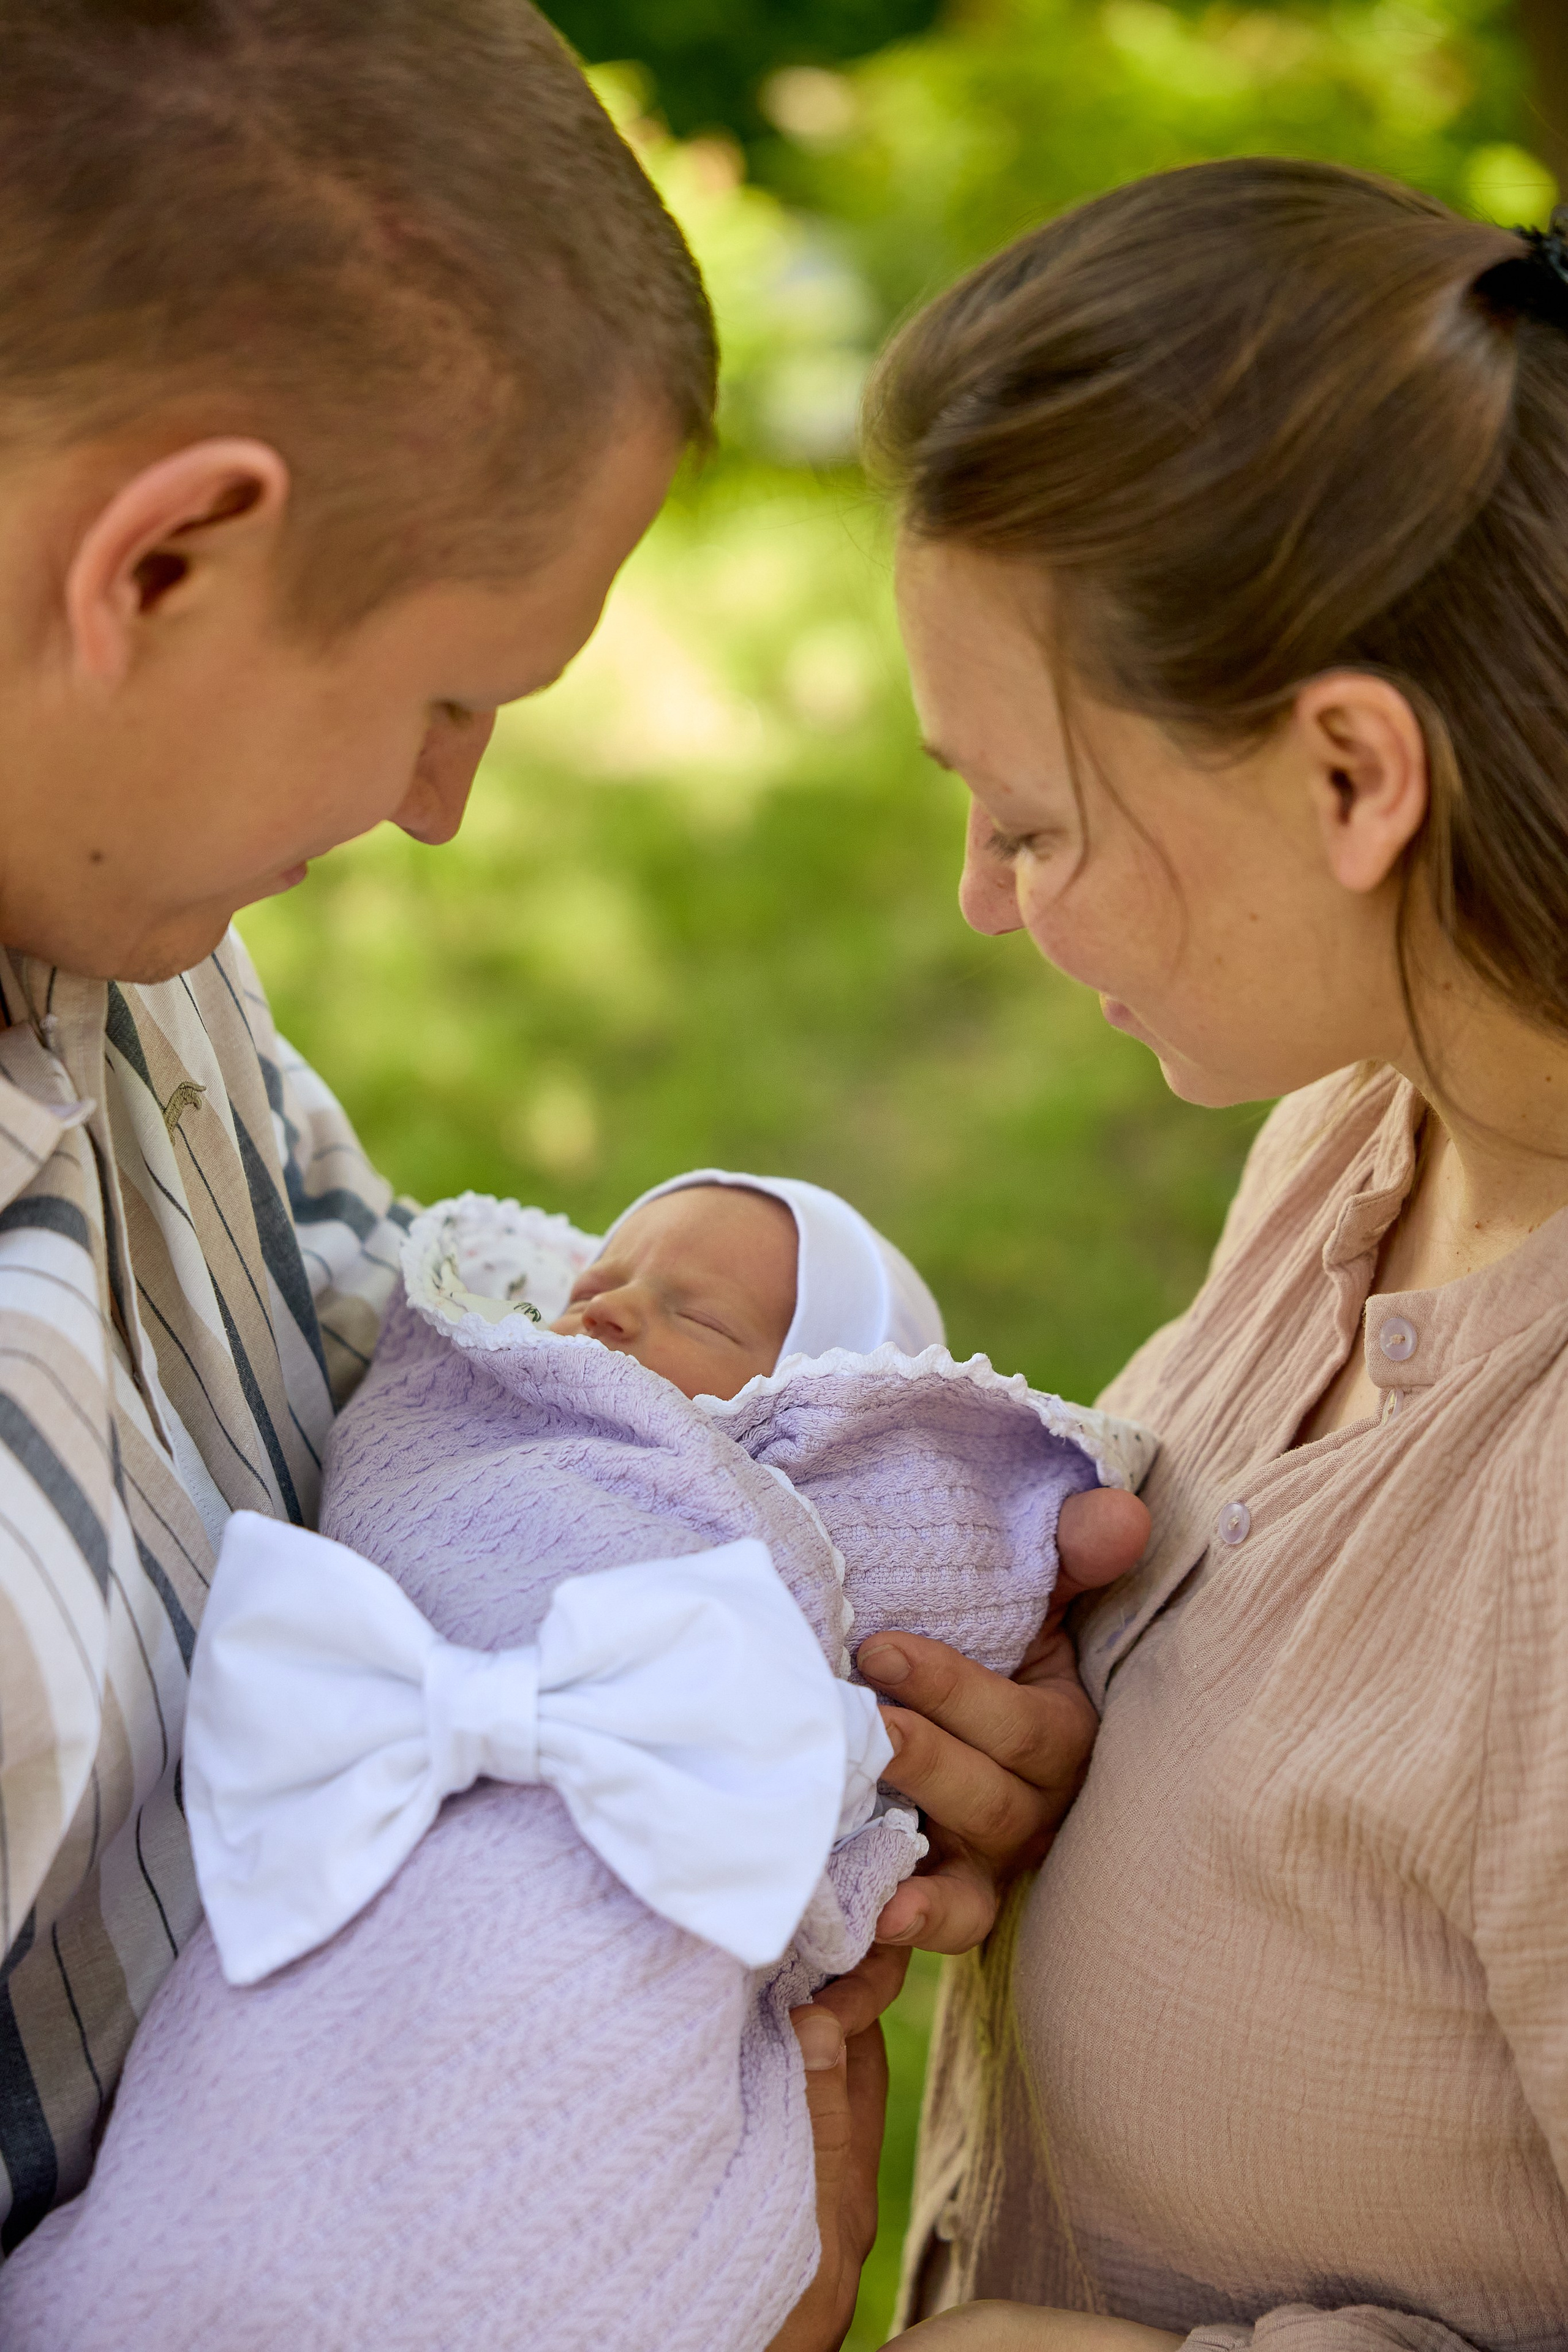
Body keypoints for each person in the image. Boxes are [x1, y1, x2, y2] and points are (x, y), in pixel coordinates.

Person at [0, 0, 1144, 2307]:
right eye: (450, 701)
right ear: (164, 564)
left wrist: (838, 1621)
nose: (443, 809)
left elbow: (376, 1320)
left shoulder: (115, 934)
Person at [790, 158, 1568, 2349]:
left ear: (1352, 775)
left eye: (1037, 823)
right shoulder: (1365, 1134)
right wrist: (1108, 1787)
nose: (980, 898)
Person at [0, 1170, 1149, 2348]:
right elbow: (407, 1464)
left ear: (829, 1404)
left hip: (606, 1948)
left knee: (564, 2182)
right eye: (596, 1281)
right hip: (342, 1894)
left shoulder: (803, 1528)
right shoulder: (475, 1438)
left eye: (699, 1316)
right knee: (220, 2181)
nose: (606, 1307)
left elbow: (955, 1557)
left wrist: (1005, 1536)